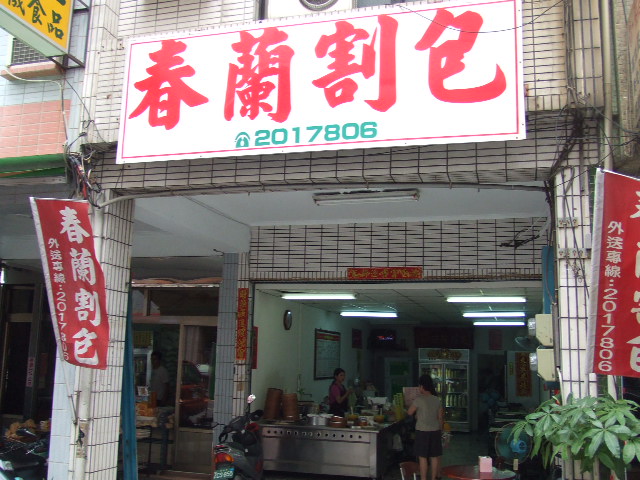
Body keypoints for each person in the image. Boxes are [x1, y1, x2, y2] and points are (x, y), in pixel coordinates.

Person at [407, 374, 444, 480]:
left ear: (422, 386)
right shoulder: (437, 400)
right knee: (434, 457)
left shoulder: (419, 400)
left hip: (422, 431)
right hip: (435, 431)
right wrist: (441, 430)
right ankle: (433, 478)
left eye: (419, 386)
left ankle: (423, 479)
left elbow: (409, 412)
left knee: (422, 458)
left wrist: (417, 413)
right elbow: (440, 417)